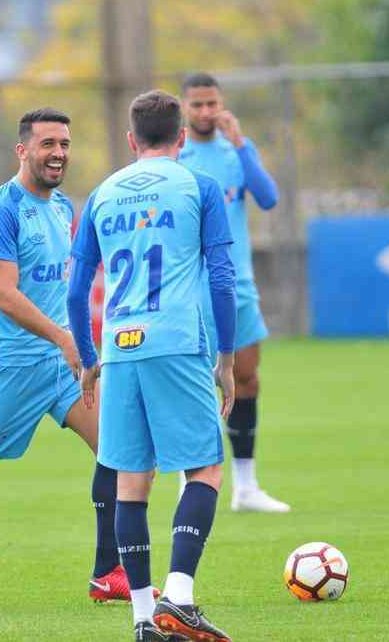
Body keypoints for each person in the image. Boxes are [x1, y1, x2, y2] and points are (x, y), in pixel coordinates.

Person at [0, 108, 141, 610]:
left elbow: (68, 288)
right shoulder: (0, 211)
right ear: (23, 150)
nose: (58, 153)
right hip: (9, 367)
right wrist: (64, 338)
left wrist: (79, 347)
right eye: (47, 144)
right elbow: (3, 294)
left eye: (64, 143)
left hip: (63, 367)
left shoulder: (64, 208)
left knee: (117, 447)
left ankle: (107, 572)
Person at [68, 90, 236, 642]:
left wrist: (90, 359)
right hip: (176, 343)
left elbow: (76, 292)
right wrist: (227, 358)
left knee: (131, 485)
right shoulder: (199, 187)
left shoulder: (101, 193)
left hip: (120, 347)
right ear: (182, 137)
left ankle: (143, 616)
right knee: (205, 468)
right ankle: (180, 598)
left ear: (130, 139)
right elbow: (220, 278)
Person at [176, 71, 289, 513]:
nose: (206, 112)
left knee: (246, 378)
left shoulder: (236, 151)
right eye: (197, 104)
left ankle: (246, 485)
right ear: (184, 107)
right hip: (192, 287)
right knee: (192, 384)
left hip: (237, 283)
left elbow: (268, 198)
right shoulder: (176, 155)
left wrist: (242, 144)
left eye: (212, 104)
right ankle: (192, 481)